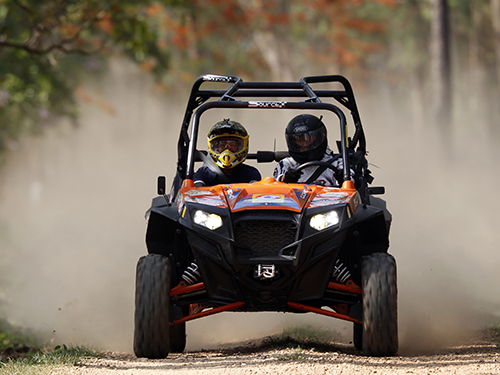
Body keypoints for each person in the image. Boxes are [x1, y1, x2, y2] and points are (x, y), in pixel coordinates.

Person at [273, 114, 346, 186]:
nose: (304, 144)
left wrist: (343, 179)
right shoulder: (286, 164)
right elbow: (273, 186)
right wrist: (284, 179)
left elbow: (351, 186)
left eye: (308, 139)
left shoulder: (337, 164)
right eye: (299, 140)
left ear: (318, 137)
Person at [194, 119, 261, 186]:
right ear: (216, 148)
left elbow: (256, 192)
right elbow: (194, 192)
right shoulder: (203, 173)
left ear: (241, 147)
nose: (227, 150)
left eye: (232, 145)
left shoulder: (250, 173)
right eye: (222, 145)